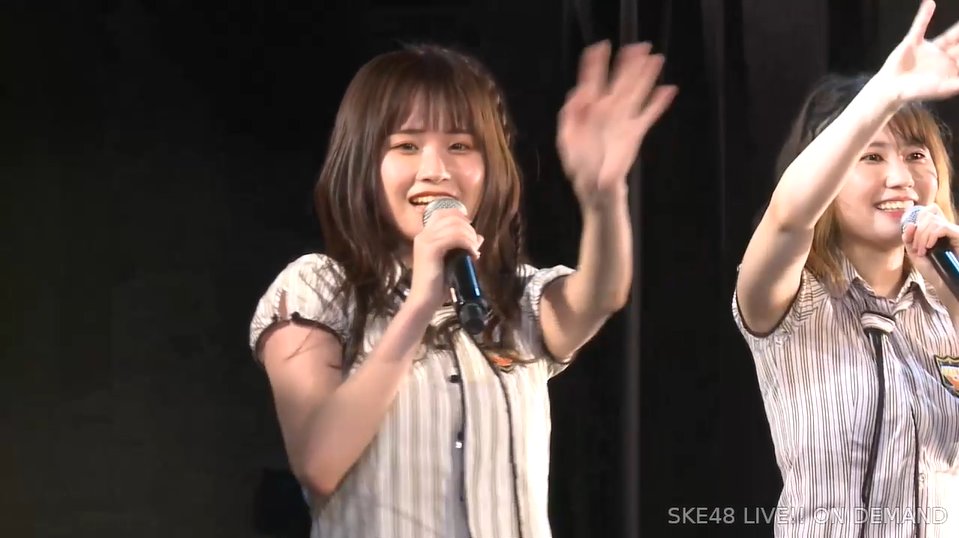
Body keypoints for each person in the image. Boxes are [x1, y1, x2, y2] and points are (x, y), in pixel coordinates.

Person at [247, 41, 676, 537]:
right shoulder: (317, 287)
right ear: (364, 163)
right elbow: (318, 463)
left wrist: (603, 196)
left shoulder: (511, 297)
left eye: (460, 146)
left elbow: (601, 295)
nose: (436, 170)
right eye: (406, 146)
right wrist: (420, 303)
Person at [733, 1, 959, 536]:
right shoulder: (794, 297)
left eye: (916, 155)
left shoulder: (947, 301)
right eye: (872, 157)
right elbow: (789, 216)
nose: (900, 178)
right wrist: (887, 92)